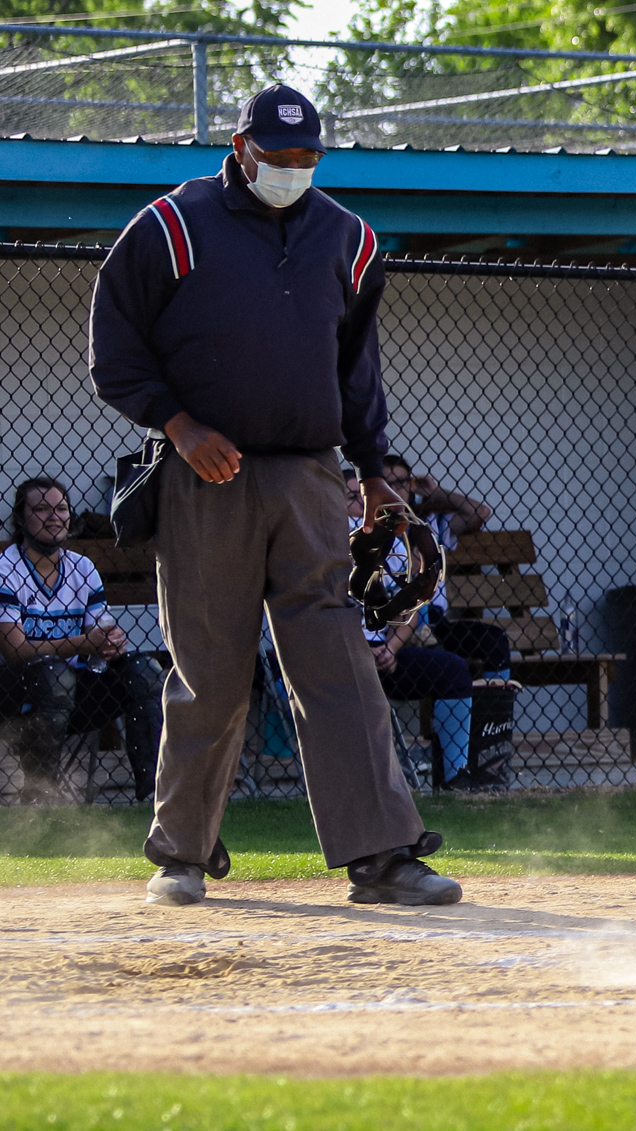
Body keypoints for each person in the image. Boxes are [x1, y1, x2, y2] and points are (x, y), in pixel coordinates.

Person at [88, 83, 458, 907]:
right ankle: (181, 853)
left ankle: (385, 854)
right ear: (239, 145)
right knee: (210, 667)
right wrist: (179, 427)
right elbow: (112, 348)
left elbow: (357, 370)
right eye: (278, 157)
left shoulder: (349, 239)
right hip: (203, 470)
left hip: (309, 476)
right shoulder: (171, 226)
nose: (292, 170)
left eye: (306, 159)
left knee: (339, 661)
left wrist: (370, 472)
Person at [0, 478, 165, 803]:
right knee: (54, 673)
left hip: (73, 694)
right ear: (21, 519)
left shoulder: (82, 568)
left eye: (61, 508)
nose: (54, 517)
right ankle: (40, 796)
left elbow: (97, 636)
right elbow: (15, 650)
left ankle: (157, 795)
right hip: (16, 693)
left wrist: (108, 643)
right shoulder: (6, 569)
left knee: (144, 670)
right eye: (41, 509)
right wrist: (83, 643)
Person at [343, 469, 496, 790]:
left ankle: (456, 779)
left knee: (454, 669)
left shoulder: (396, 537)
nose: (360, 504)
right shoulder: (329, 542)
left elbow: (408, 607)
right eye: (350, 498)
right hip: (340, 656)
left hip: (385, 651)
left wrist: (390, 649)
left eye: (363, 497)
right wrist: (362, 651)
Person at [378, 454, 512, 679]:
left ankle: (494, 712)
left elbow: (480, 512)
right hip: (393, 625)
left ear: (411, 484)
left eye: (400, 483)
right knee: (443, 665)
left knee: (494, 640)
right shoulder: (369, 528)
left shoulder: (429, 522)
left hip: (435, 623)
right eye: (386, 483)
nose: (393, 490)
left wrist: (433, 492)